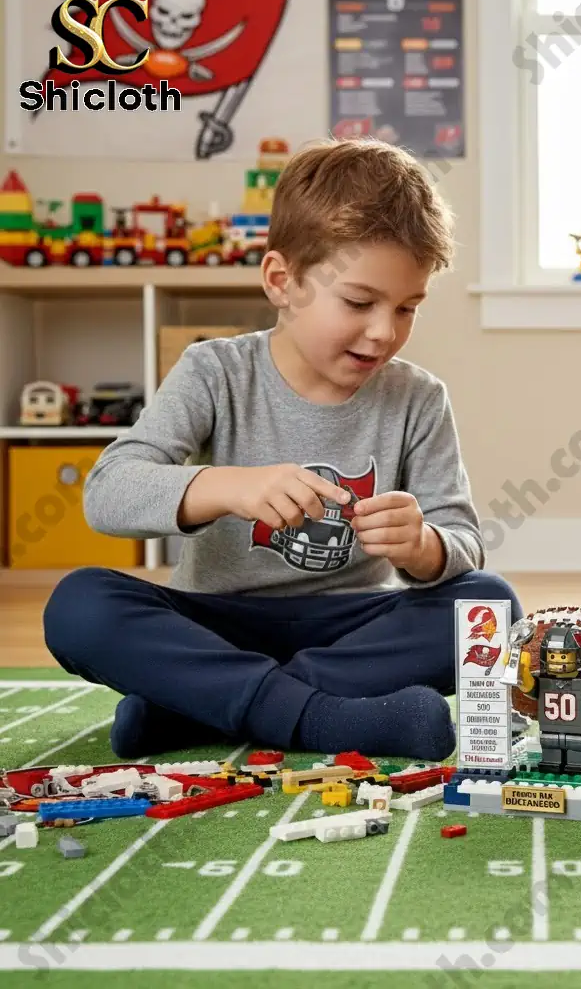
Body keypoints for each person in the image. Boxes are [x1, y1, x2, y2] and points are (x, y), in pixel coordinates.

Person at [43, 138, 521, 761]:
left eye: (407, 308)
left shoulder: (418, 398)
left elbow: (461, 535)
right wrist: (225, 487)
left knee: (490, 603)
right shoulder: (213, 371)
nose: (384, 332)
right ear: (282, 281)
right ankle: (323, 719)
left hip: (353, 624)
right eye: (358, 302)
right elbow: (109, 491)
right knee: (80, 604)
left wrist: (425, 546)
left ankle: (193, 706)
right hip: (211, 623)